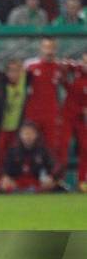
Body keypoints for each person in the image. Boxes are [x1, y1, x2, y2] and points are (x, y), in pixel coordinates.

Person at [23, 37, 69, 169]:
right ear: (41, 48)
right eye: (46, 47)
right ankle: (31, 177)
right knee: (30, 145)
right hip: (33, 114)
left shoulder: (60, 68)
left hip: (52, 114)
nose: (49, 51)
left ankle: (54, 179)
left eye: (52, 47)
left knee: (52, 147)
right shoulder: (30, 66)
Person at [0, 122, 58, 193]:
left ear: (36, 135)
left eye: (31, 133)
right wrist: (6, 178)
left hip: (37, 183)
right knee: (4, 183)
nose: (28, 137)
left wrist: (50, 178)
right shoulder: (13, 152)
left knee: (51, 183)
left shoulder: (43, 151)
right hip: (17, 182)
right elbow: (6, 170)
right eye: (26, 134)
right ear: (20, 135)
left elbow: (52, 168)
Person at [0, 59, 27, 177]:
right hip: (2, 127)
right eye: (11, 71)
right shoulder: (1, 86)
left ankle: (15, 178)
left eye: (17, 71)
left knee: (17, 154)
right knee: (0, 153)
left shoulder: (25, 83)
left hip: (18, 127)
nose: (14, 74)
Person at [61, 52, 86, 191]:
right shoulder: (76, 70)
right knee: (63, 146)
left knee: (85, 148)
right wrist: (66, 65)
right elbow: (63, 66)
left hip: (82, 119)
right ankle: (60, 179)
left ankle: (82, 180)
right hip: (68, 115)